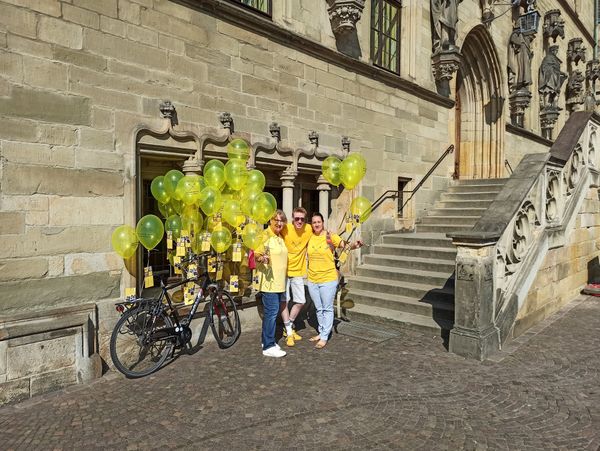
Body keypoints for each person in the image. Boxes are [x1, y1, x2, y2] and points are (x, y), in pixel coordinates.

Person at [306, 212, 362, 349]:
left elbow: (344, 244)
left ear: (323, 222)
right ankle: (321, 331)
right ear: (311, 225)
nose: (316, 224)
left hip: (328, 279)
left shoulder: (330, 236)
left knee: (327, 308)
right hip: (312, 279)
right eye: (314, 222)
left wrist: (355, 244)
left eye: (318, 222)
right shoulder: (310, 237)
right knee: (318, 309)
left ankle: (324, 336)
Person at [255, 210, 288, 358]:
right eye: (276, 220)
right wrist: (262, 259)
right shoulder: (265, 235)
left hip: (279, 282)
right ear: (270, 221)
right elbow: (256, 253)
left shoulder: (279, 237)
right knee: (271, 313)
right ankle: (268, 346)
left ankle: (267, 341)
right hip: (269, 283)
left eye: (282, 220)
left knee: (272, 313)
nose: (279, 223)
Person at [280, 207, 313, 347]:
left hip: (298, 272)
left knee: (300, 301)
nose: (299, 221)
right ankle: (289, 331)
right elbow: (272, 232)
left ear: (305, 220)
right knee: (284, 301)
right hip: (284, 272)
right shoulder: (285, 228)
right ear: (293, 218)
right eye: (297, 218)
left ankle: (288, 325)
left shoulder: (309, 229)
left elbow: (322, 234)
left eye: (302, 219)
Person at [507, 27, 533, 93]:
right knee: (521, 70)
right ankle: (519, 81)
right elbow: (514, 40)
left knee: (524, 70)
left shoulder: (524, 42)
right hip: (520, 60)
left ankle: (523, 82)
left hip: (524, 61)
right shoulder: (518, 37)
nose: (529, 40)